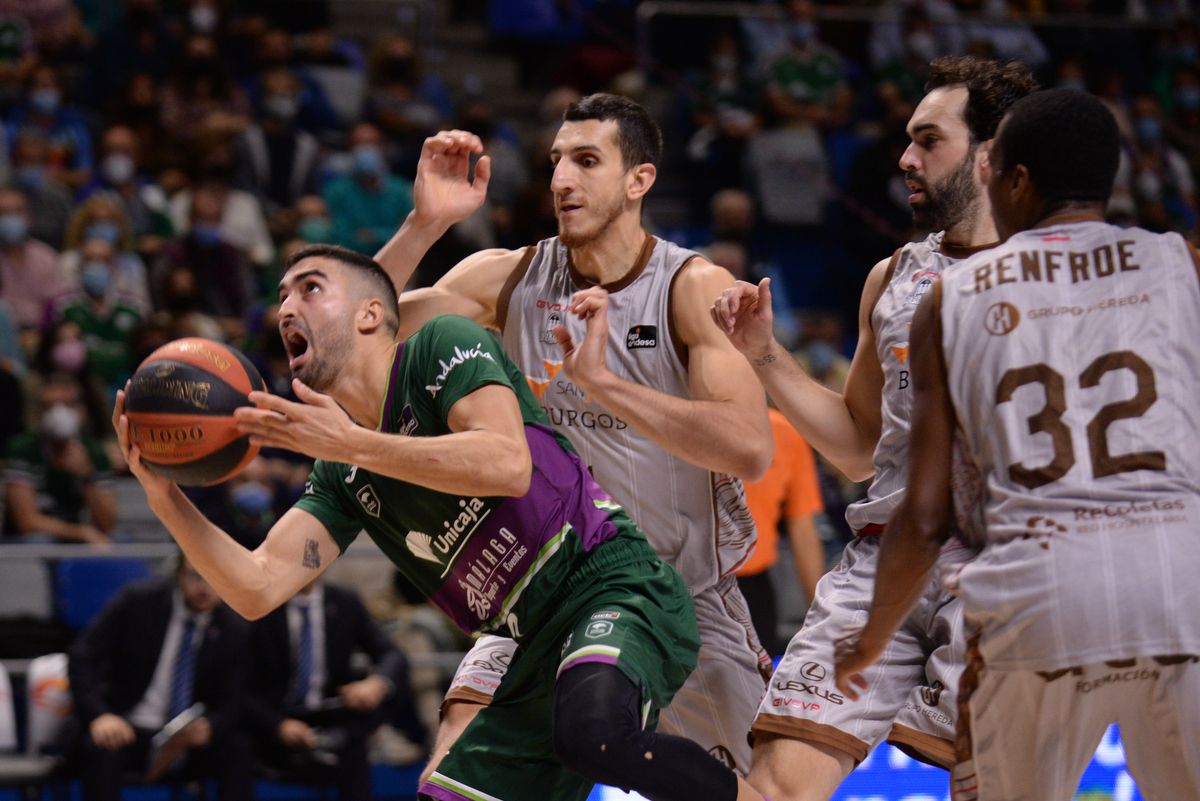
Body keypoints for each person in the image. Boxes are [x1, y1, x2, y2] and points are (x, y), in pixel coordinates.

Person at [113, 244, 769, 801]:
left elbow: (506, 462)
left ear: (373, 313)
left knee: (591, 731)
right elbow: (255, 587)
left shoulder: (438, 348)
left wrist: (350, 446)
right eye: (282, 295)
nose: (286, 306)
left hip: (613, 585)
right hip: (526, 645)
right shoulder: (340, 474)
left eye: (310, 288)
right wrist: (165, 496)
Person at [373, 92, 774, 776]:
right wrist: (423, 224)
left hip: (680, 601)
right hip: (547, 595)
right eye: (557, 161)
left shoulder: (688, 286)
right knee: (450, 772)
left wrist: (607, 384)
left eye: (587, 161)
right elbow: (356, 341)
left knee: (765, 792)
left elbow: (749, 446)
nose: (561, 180)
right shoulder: (512, 277)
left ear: (639, 180)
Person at [835, 88, 1200, 801]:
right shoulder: (1179, 263)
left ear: (1017, 180)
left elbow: (927, 510)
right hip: (1175, 591)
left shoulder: (952, 296)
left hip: (1040, 599)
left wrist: (873, 636)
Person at [711, 57, 1036, 799]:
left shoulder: (1061, 276)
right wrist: (765, 356)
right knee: (771, 785)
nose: (905, 158)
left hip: (999, 568)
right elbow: (859, 445)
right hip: (880, 559)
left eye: (928, 140)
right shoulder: (892, 276)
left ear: (992, 155)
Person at [67, 555, 254, 801]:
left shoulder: (234, 629)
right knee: (103, 748)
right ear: (179, 574)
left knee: (238, 747)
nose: (205, 587)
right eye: (196, 576)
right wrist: (100, 715)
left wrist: (212, 726)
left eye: (216, 579)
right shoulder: (138, 602)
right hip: (128, 727)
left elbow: (236, 695)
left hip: (186, 737)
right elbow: (82, 655)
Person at [247, 578, 416, 801]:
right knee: (237, 737)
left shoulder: (344, 601)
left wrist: (375, 684)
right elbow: (240, 686)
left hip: (332, 715)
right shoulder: (260, 605)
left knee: (363, 727)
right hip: (276, 719)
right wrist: (278, 725)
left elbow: (392, 655)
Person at [736, 407, 825, 653]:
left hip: (753, 587)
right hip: (683, 583)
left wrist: (821, 614)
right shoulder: (679, 421)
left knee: (755, 686)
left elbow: (803, 528)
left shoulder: (784, 432)